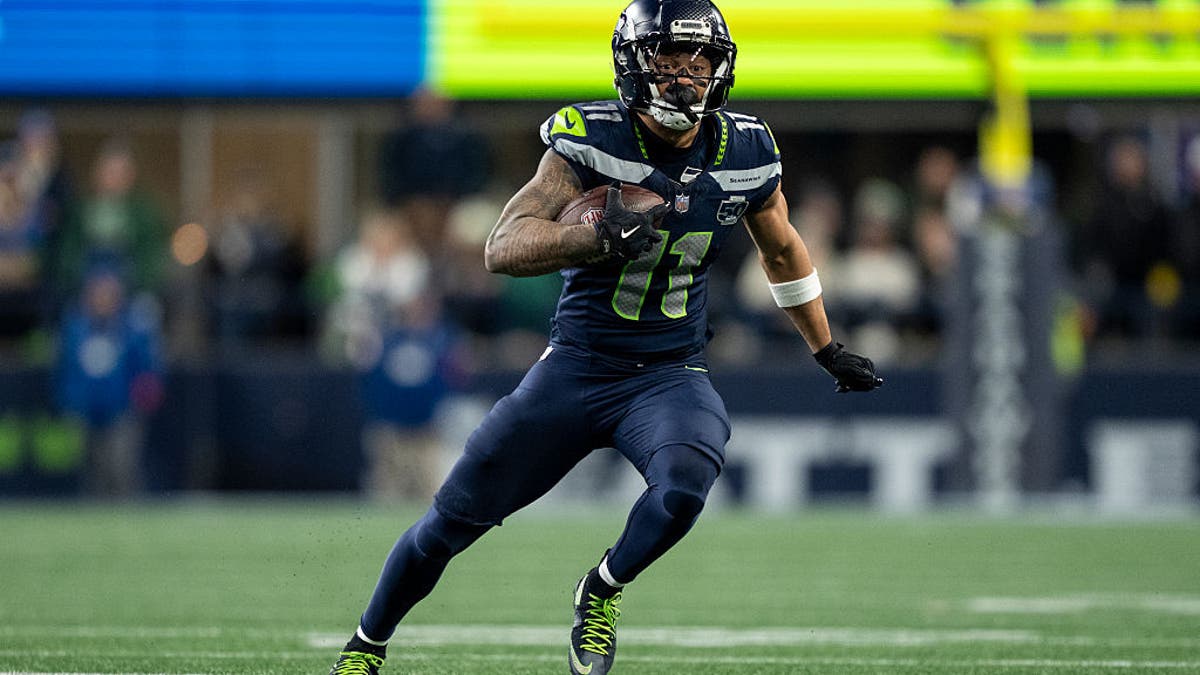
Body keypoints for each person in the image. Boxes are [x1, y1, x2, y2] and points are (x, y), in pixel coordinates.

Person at [327, 2, 882, 674]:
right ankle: (366, 644)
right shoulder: (592, 140)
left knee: (684, 484)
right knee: (448, 524)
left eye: (700, 60)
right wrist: (587, 237)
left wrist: (825, 347)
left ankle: (601, 590)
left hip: (669, 372)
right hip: (576, 368)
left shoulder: (747, 151)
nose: (687, 76)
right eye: (670, 59)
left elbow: (784, 251)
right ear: (634, 63)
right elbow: (503, 247)